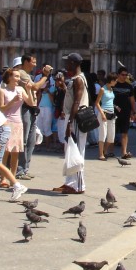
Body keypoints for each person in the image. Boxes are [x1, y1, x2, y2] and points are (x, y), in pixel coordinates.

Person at [53, 53, 89, 195]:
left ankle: (79, 185)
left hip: (77, 118)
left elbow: (77, 102)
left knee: (77, 152)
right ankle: (70, 183)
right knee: (70, 151)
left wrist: (70, 122)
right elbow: (71, 97)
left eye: (68, 62)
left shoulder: (79, 80)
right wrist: (63, 87)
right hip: (72, 117)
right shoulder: (74, 79)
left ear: (74, 63)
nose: (66, 65)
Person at [0, 68, 34, 182]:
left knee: (15, 152)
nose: (18, 78)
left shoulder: (20, 89)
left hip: (18, 123)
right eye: (16, 76)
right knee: (5, 151)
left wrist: (29, 90)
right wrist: (13, 100)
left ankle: (12, 178)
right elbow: (1, 108)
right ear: (9, 78)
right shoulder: (2, 91)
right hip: (7, 122)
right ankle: (3, 178)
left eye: (19, 76)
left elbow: (31, 103)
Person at [113, 68, 136, 159]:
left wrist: (134, 112)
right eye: (122, 74)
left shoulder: (129, 86)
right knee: (112, 133)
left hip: (126, 112)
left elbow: (132, 100)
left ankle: (124, 152)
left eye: (126, 75)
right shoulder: (113, 85)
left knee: (125, 132)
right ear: (118, 74)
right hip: (114, 112)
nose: (124, 76)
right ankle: (110, 151)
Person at [95, 72, 118, 161]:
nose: (116, 82)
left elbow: (110, 101)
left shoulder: (111, 89)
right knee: (102, 134)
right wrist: (102, 114)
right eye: (115, 80)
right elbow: (97, 103)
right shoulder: (102, 89)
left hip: (112, 113)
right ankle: (101, 154)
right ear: (111, 80)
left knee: (111, 137)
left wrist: (116, 107)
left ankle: (104, 151)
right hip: (104, 112)